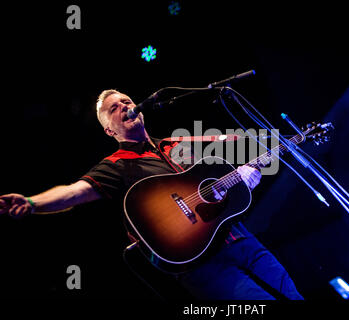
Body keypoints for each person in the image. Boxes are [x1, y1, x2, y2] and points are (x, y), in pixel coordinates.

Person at [0, 89, 303, 300]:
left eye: (127, 101)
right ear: (108, 129)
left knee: (294, 294)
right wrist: (31, 203)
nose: (124, 106)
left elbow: (210, 191)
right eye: (114, 108)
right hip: (199, 264)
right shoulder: (116, 166)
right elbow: (72, 193)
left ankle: (308, 133)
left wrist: (242, 182)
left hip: (239, 238)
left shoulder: (176, 145)